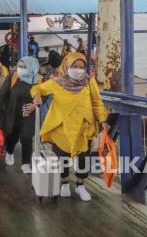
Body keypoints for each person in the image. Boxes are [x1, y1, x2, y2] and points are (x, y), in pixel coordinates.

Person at [31, 53, 109, 201]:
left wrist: (102, 120)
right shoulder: (57, 82)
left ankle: (80, 186)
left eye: (81, 67)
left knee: (82, 158)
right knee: (62, 158)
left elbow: (97, 102)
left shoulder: (89, 82)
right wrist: (37, 96)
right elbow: (38, 88)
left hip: (83, 127)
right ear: (67, 66)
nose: (78, 69)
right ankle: (64, 183)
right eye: (75, 66)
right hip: (62, 127)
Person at [0, 56, 40, 174]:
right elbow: (2, 95)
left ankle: (26, 163)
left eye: (24, 67)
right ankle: (10, 151)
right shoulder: (13, 77)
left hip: (28, 114)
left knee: (27, 137)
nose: (21, 69)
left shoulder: (38, 80)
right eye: (19, 66)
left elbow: (44, 95)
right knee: (11, 135)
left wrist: (34, 106)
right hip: (12, 112)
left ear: (32, 67)